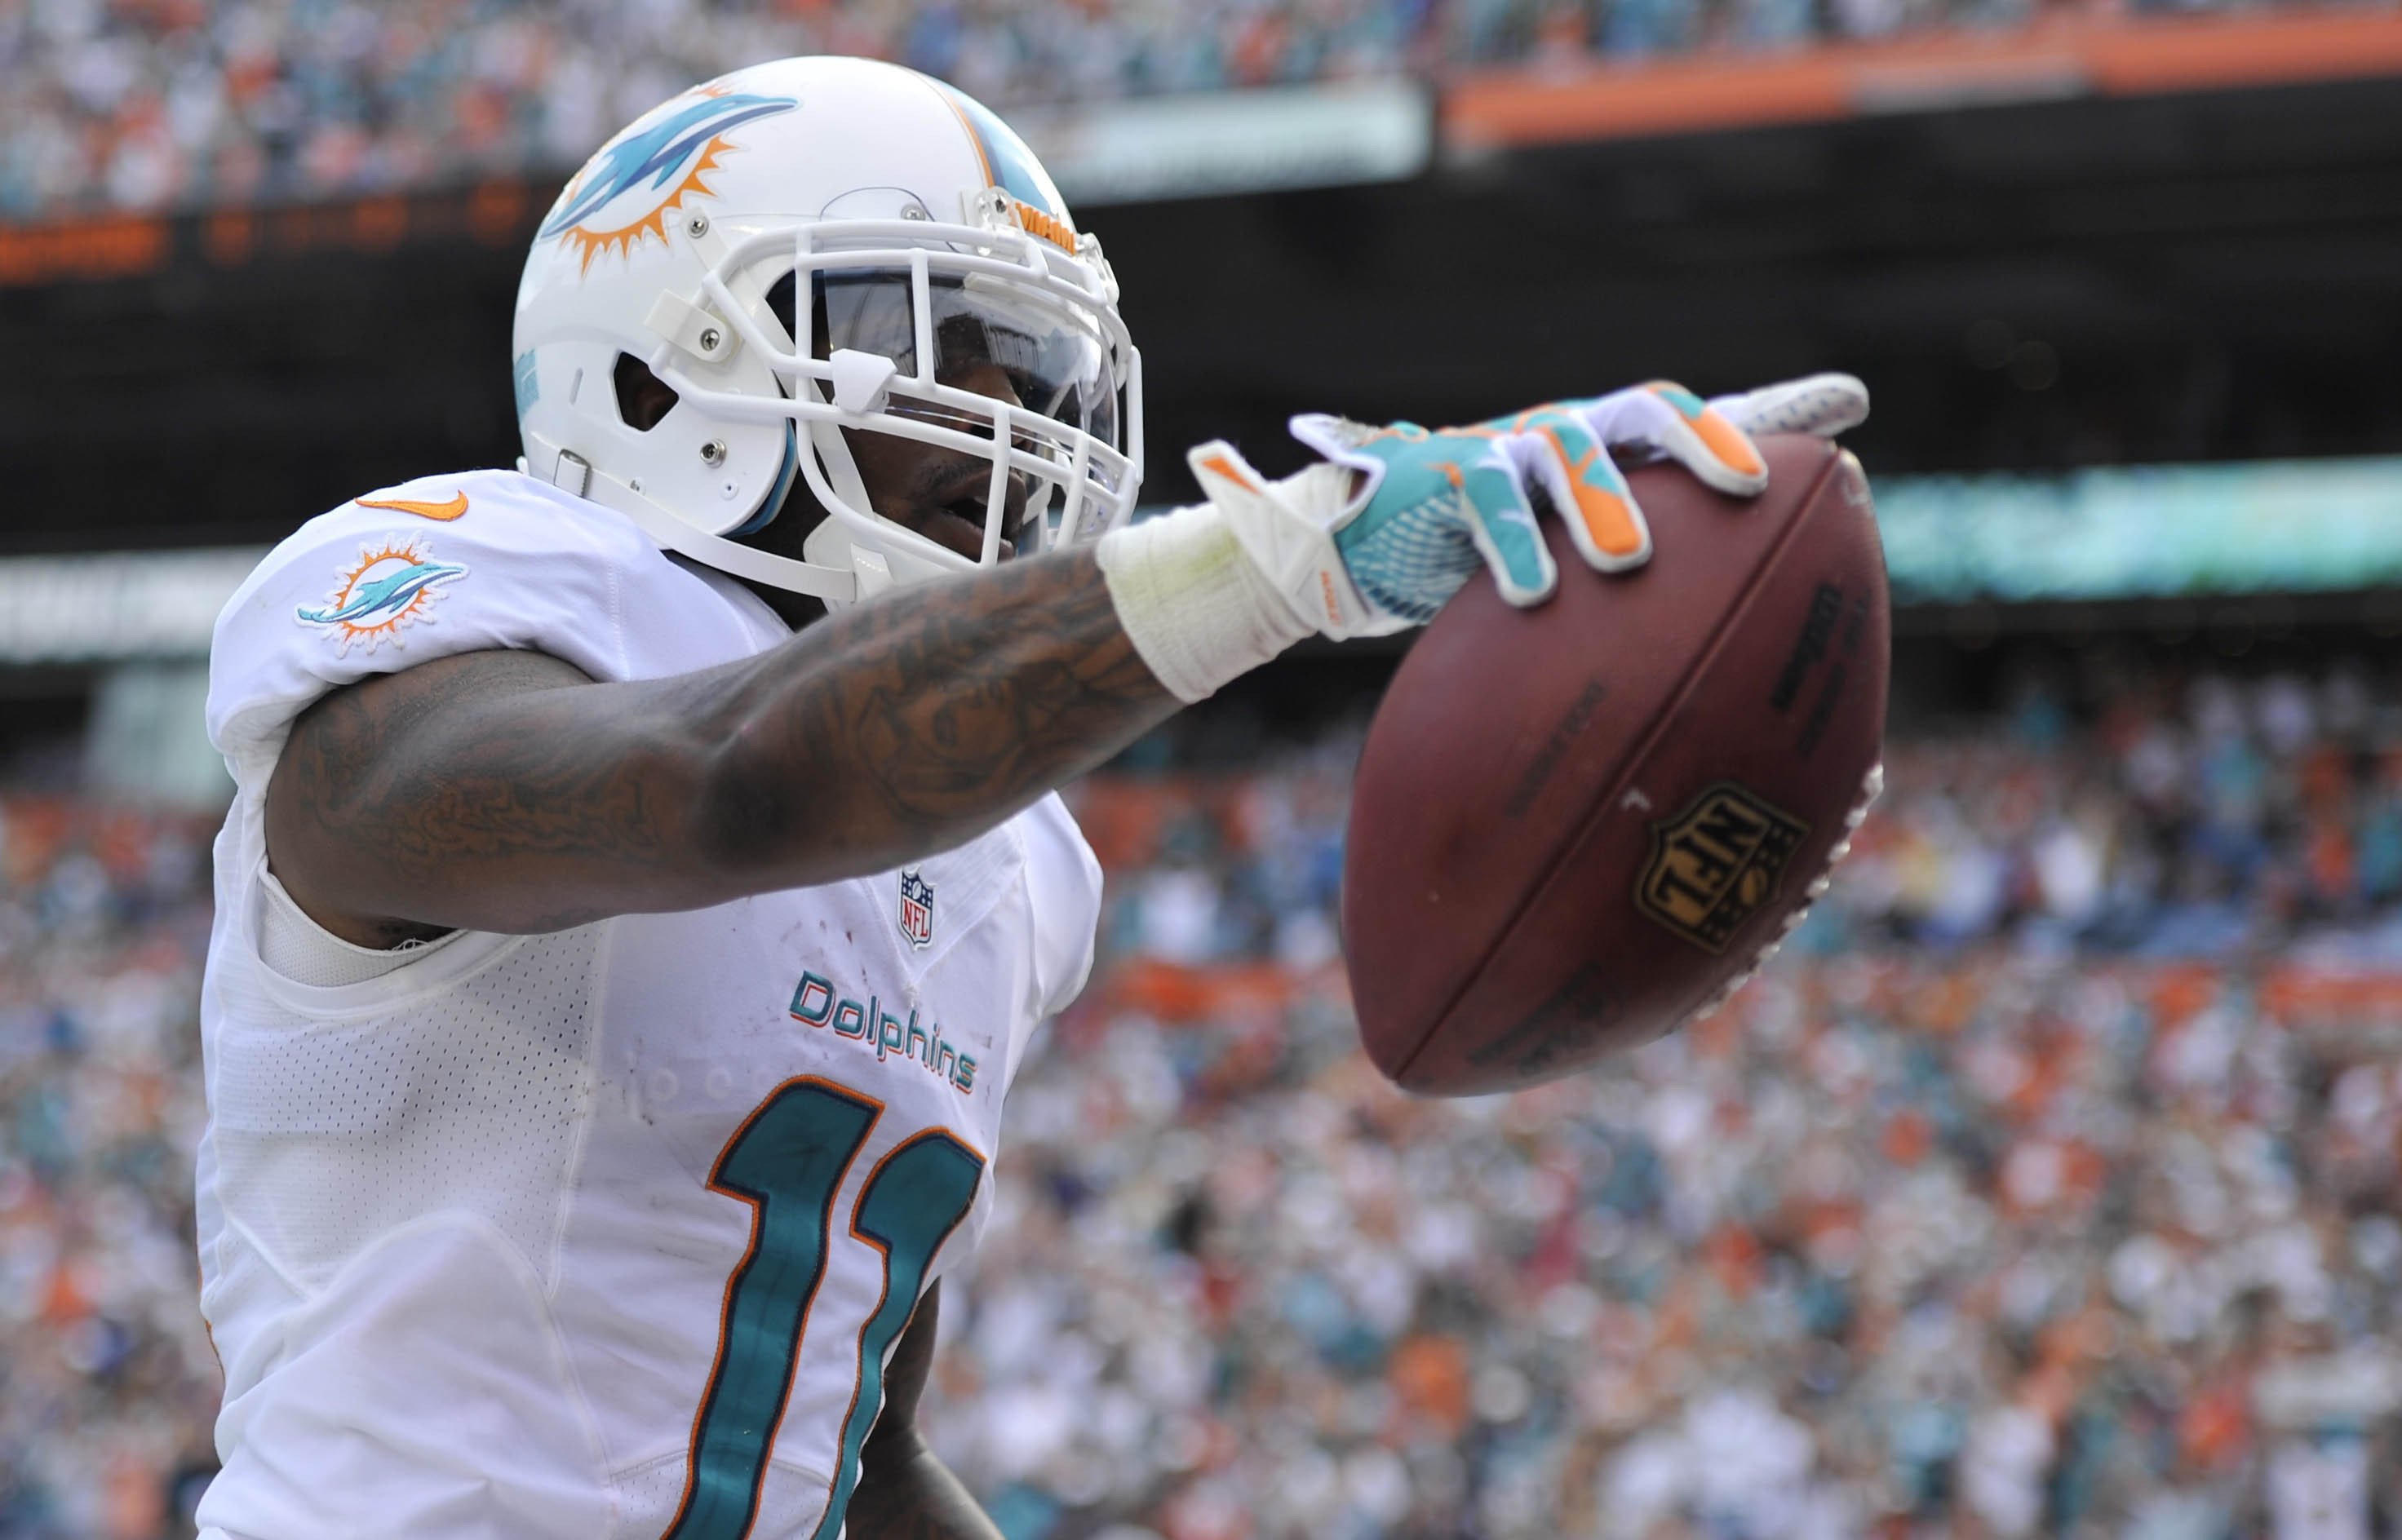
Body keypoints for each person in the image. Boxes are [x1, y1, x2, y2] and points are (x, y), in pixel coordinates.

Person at [192, 54, 1868, 1540]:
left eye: (1042, 363)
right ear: (661, 368)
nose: (1022, 416)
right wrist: (1290, 556)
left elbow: (855, 1447)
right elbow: (718, 783)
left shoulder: (1008, 865)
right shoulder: (458, 604)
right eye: (942, 339)